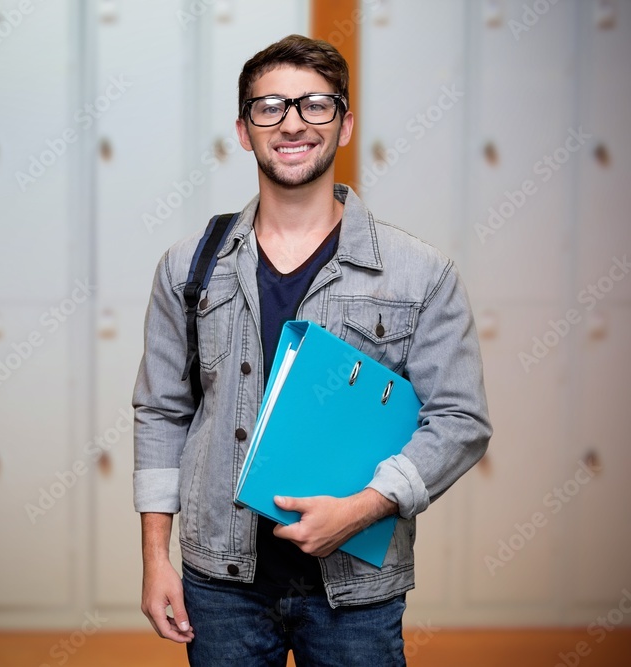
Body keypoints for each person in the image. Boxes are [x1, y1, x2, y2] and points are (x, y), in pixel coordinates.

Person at [132, 34, 492, 666]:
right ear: (243, 131)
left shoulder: (419, 273)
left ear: (345, 124)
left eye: (314, 105)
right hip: (222, 585)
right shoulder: (189, 268)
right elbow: (162, 413)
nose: (292, 122)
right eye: (268, 107)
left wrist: (363, 508)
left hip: (354, 593)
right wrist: (156, 558)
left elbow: (461, 420)